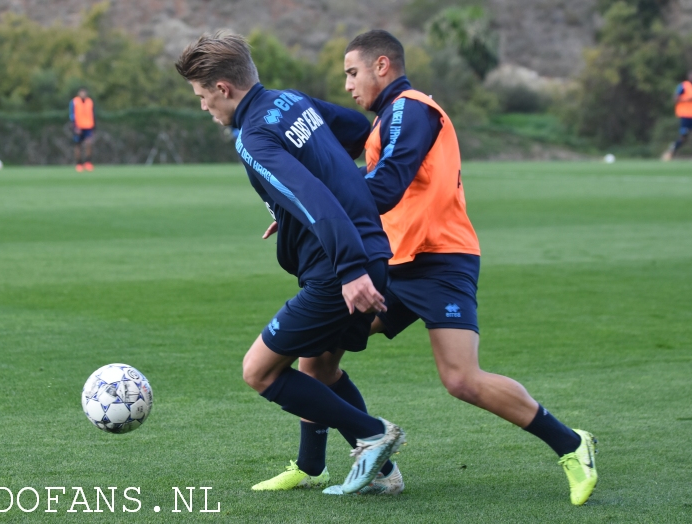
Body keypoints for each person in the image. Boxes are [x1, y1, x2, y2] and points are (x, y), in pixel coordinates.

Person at [257, 29, 598, 506]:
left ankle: (571, 444)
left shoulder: (411, 108)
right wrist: (305, 207)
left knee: (461, 379)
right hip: (394, 261)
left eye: (353, 73)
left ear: (382, 65)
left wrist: (317, 210)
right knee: (318, 353)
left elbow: (388, 185)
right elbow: (351, 172)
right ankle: (326, 464)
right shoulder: (384, 120)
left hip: (440, 260)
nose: (349, 86)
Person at [174, 30, 406, 494]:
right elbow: (358, 135)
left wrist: (349, 270)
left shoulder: (252, 136)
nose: (204, 107)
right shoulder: (289, 101)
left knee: (259, 371)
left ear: (223, 88)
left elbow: (314, 195)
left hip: (339, 269)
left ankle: (371, 434)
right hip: (370, 248)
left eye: (202, 96)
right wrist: (294, 213)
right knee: (318, 367)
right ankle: (378, 474)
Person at [662, 71, 692, 165]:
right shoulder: (683, 86)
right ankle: (672, 150)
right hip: (685, 115)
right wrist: (686, 99)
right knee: (683, 138)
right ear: (688, 77)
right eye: (691, 76)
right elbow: (675, 98)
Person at [70, 88, 95, 172]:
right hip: (78, 127)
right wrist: (75, 127)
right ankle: (79, 163)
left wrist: (94, 126)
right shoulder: (74, 102)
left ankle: (88, 162)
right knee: (78, 145)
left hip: (88, 126)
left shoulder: (90, 101)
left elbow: (93, 114)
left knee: (89, 143)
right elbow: (72, 115)